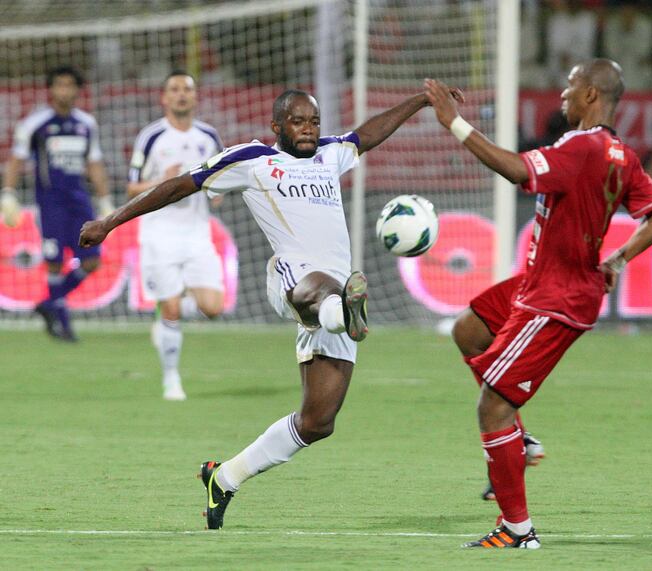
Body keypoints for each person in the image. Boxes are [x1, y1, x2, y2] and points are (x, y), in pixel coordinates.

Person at [79, 87, 463, 530]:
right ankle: (343, 313)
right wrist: (110, 222)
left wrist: (419, 100)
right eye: (298, 122)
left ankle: (223, 477)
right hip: (292, 279)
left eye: (314, 122)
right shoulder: (251, 159)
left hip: (334, 296)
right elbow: (180, 185)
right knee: (318, 286)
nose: (308, 130)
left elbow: (367, 135)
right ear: (277, 126)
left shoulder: (331, 154)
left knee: (318, 422)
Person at [424, 58, 652, 549]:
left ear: (590, 96)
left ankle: (517, 530)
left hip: (556, 298)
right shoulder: (623, 155)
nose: (561, 94)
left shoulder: (581, 146)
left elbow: (518, 169)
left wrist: (453, 123)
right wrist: (618, 258)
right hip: (540, 282)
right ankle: (520, 440)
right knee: (469, 330)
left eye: (569, 85)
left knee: (493, 407)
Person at [127, 71, 225, 401]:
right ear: (164, 98)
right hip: (159, 233)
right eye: (174, 89)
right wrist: (161, 181)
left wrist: (217, 191)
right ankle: (171, 379)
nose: (181, 94)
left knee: (212, 307)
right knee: (169, 308)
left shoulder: (209, 137)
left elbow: (222, 179)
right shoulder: (151, 137)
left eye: (187, 89)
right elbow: (131, 187)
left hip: (198, 234)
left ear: (195, 98)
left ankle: (168, 317)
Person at [1, 65, 112, 341]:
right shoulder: (35, 124)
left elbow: (94, 163)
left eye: (69, 85)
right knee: (54, 263)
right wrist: (9, 192)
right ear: (51, 89)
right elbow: (17, 159)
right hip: (50, 204)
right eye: (59, 84)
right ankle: (63, 325)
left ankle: (49, 305)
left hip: (80, 204)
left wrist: (105, 199)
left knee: (92, 262)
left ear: (77, 89)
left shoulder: (86, 124)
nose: (64, 90)